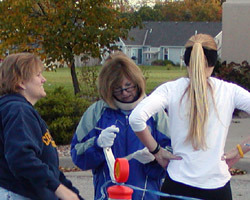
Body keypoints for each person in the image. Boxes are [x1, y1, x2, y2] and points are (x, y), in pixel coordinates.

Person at [129, 33, 250, 200]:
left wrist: (157, 151)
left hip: (178, 184)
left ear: (187, 60)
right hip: (217, 187)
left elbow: (136, 119)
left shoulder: (171, 89)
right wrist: (240, 150)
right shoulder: (229, 91)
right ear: (214, 62)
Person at [71, 51, 172, 200]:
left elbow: (173, 157)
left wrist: (154, 159)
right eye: (117, 89)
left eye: (128, 86)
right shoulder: (97, 113)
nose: (125, 93)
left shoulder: (154, 113)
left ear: (137, 83)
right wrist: (97, 144)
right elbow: (78, 155)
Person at [0, 53, 84, 200]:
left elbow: (49, 168)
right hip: (17, 194)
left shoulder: (21, 111)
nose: (43, 79)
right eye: (38, 75)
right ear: (21, 82)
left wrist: (72, 193)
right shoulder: (18, 111)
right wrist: (58, 189)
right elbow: (21, 159)